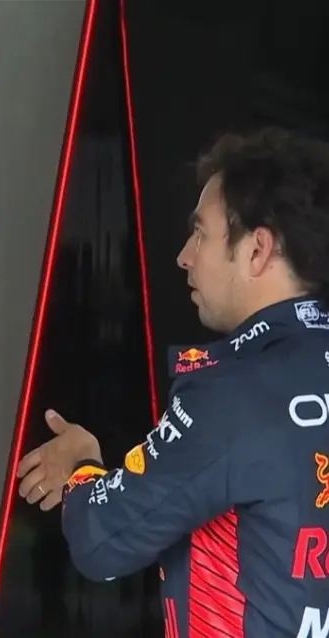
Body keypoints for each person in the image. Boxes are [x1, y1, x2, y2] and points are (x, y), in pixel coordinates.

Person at [17, 128, 329, 638]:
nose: (185, 255)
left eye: (201, 233)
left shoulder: (234, 391)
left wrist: (80, 466)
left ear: (257, 250)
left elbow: (103, 540)